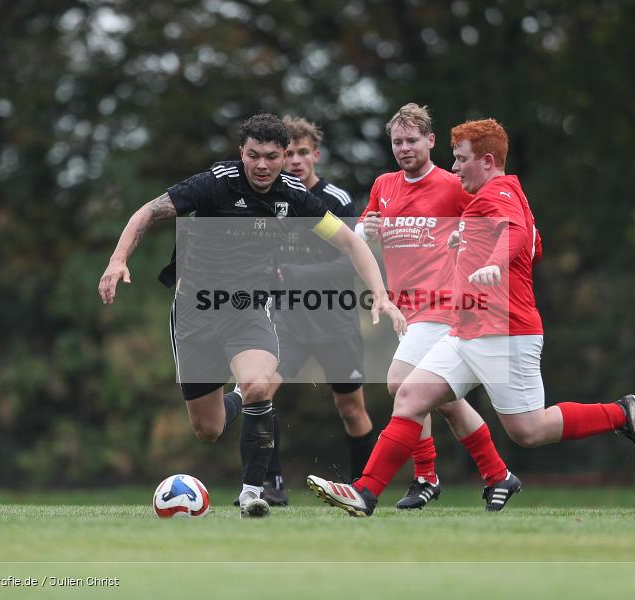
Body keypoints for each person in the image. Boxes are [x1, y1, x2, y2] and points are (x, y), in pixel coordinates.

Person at [307, 117, 635, 517]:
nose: (454, 168)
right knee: (409, 395)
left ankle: (621, 414)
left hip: (504, 333)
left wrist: (493, 260)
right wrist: (471, 240)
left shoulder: (499, 192)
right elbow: (534, 244)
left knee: (528, 430)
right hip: (466, 328)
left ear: (487, 161)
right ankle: (365, 493)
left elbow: (515, 235)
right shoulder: (490, 197)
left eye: (460, 160)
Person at [98, 113, 406, 518]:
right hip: (196, 312)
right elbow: (148, 212)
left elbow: (350, 243)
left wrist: (380, 295)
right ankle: (241, 397)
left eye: (272, 157)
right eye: (253, 156)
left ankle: (252, 494)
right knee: (208, 430)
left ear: (283, 157)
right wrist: (117, 260)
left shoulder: (294, 195)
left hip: (248, 310)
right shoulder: (215, 183)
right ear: (242, 153)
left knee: (261, 383)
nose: (262, 165)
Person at [355, 103, 516, 511]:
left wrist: (478, 254)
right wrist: (365, 231)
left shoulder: (453, 185)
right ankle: (497, 474)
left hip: (445, 305)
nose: (404, 148)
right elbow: (360, 237)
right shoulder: (384, 185)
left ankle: (424, 476)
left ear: (430, 141)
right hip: (405, 312)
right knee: (440, 399)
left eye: (412, 140)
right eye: (397, 141)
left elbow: (493, 223)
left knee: (398, 383)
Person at [233, 116, 376, 507]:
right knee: (258, 393)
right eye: (288, 154)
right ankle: (268, 484)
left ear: (315, 154)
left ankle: (364, 488)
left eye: (301, 152)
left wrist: (293, 273)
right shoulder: (270, 197)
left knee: (351, 409)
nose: (294, 160)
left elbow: (352, 262)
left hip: (335, 321)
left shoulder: (337, 201)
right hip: (287, 322)